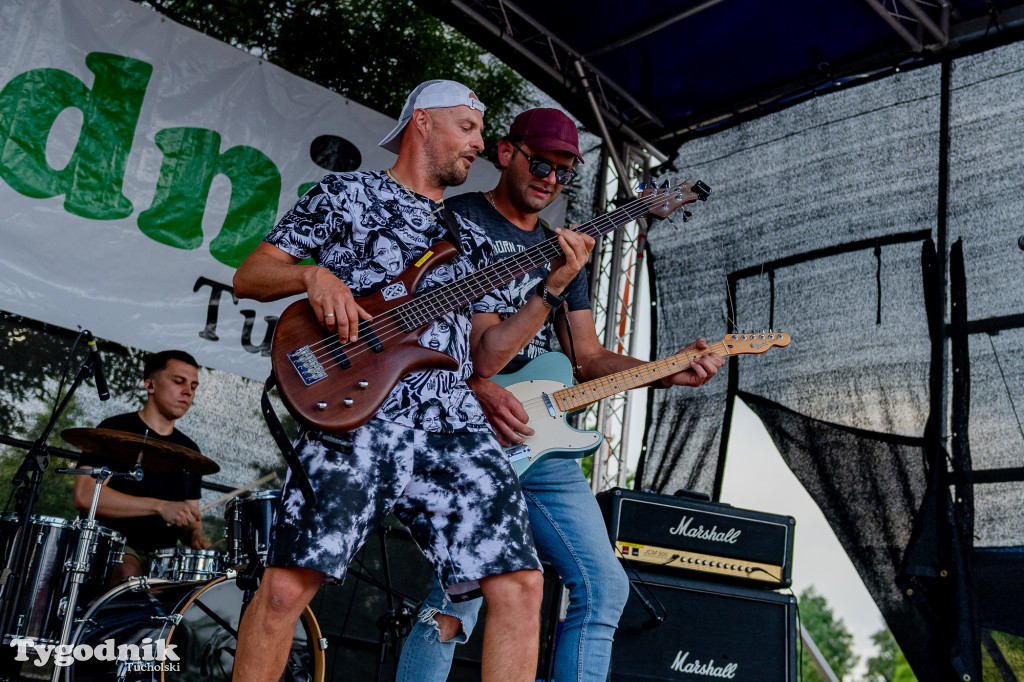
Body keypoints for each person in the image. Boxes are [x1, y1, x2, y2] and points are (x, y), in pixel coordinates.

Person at [229, 80, 594, 682]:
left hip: (451, 423)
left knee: (522, 584)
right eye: (469, 128)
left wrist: (551, 290)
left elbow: (487, 357)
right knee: (285, 591)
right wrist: (313, 276)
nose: (480, 145)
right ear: (423, 123)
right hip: (359, 414)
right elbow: (251, 275)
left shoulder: (469, 233)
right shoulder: (346, 196)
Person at [395, 108, 725, 682]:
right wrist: (480, 385)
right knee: (460, 593)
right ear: (506, 153)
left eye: (564, 171)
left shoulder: (566, 248)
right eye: (541, 162)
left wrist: (667, 370)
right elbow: (477, 351)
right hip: (467, 422)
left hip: (539, 433)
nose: (550, 178)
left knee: (603, 585)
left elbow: (587, 357)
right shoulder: (458, 220)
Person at [73, 350, 210, 583]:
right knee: (128, 574)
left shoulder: (190, 451)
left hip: (163, 559)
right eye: (179, 382)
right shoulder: (115, 430)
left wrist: (195, 534)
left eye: (194, 386)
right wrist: (160, 507)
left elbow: (189, 513)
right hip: (113, 546)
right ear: (150, 385)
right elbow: (85, 495)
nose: (188, 391)